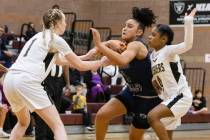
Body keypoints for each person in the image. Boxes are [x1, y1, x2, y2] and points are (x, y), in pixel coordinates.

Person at [3, 8, 104, 140]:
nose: (66, 24)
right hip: (27, 80)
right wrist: (102, 62)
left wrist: (87, 55)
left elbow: (62, 61)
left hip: (10, 80)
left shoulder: (37, 36)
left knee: (23, 123)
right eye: (64, 21)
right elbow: (79, 66)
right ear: (56, 23)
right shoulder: (56, 39)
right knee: (57, 126)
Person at [91, 7, 162, 140]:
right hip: (131, 93)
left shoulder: (137, 45)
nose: (124, 28)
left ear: (139, 31)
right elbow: (111, 46)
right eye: (124, 25)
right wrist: (97, 50)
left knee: (134, 138)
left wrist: (100, 46)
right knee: (102, 116)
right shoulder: (123, 45)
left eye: (129, 26)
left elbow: (123, 59)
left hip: (148, 99)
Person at [147, 9, 196, 140]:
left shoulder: (168, 51)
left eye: (153, 35)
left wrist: (188, 21)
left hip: (180, 96)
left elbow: (187, 44)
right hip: (168, 99)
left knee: (152, 117)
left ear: (163, 39)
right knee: (163, 135)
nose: (149, 37)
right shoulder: (152, 56)